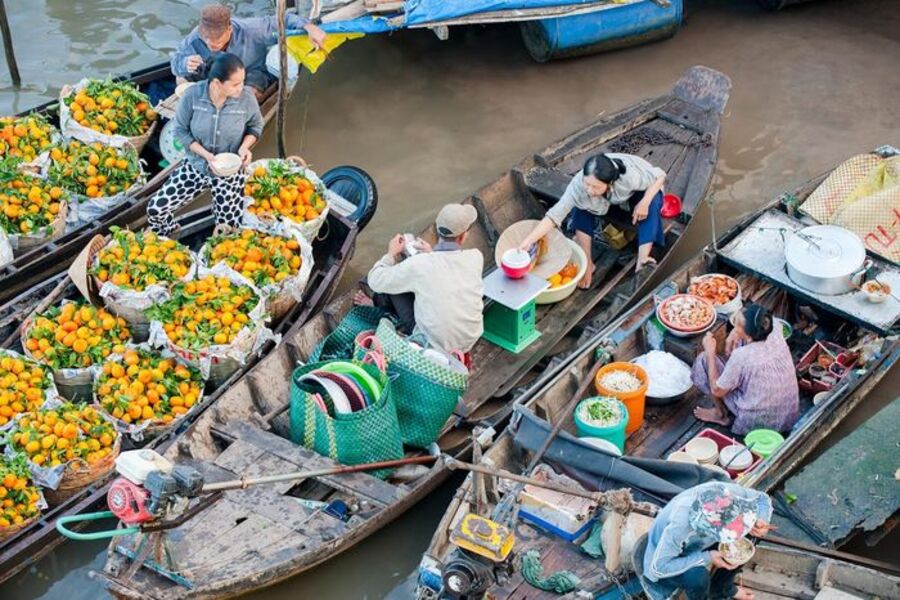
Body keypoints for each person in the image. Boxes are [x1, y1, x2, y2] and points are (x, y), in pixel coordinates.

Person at [147, 53, 262, 236]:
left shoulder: (247, 99)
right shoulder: (193, 96)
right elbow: (180, 131)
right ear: (216, 83)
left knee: (228, 226)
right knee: (156, 209)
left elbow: (255, 126)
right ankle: (170, 235)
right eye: (235, 84)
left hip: (229, 171)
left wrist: (244, 147)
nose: (241, 88)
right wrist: (207, 156)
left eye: (242, 82)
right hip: (196, 166)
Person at [518, 153, 667, 286]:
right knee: (580, 207)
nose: (589, 189)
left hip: (637, 192)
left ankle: (642, 259)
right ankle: (588, 262)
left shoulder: (629, 177)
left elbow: (660, 176)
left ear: (609, 184)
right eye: (587, 183)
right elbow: (554, 215)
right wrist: (529, 241)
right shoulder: (579, 185)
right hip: (605, 202)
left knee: (652, 204)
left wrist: (644, 202)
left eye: (595, 187)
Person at [361, 204, 484, 355]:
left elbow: (375, 280)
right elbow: (448, 266)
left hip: (433, 345)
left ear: (436, 230)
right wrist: (431, 253)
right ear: (464, 236)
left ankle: (380, 307)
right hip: (469, 340)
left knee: (394, 283)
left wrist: (391, 254)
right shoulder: (476, 257)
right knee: (416, 281)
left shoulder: (420, 264)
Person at [640, 481, 775, 600]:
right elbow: (657, 569)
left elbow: (762, 498)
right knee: (698, 577)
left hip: (701, 543)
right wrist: (707, 557)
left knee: (748, 539)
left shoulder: (723, 491)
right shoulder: (679, 527)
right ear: (705, 528)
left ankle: (722, 588)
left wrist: (761, 520)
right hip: (669, 558)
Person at [171, 3, 327, 98]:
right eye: (206, 39)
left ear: (229, 29)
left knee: (247, 95)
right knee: (181, 79)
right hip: (214, 75)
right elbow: (175, 63)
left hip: (250, 73)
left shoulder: (252, 29)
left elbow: (285, 19)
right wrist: (184, 63)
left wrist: (309, 26)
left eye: (217, 40)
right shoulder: (194, 37)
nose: (210, 44)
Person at [691, 303, 800, 434]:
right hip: (786, 415)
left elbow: (717, 390)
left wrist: (710, 351)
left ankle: (720, 414)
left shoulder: (742, 357)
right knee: (738, 347)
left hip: (756, 421)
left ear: (749, 336)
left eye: (737, 326)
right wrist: (734, 332)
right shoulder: (775, 326)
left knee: (704, 360)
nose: (735, 328)